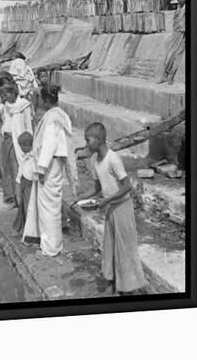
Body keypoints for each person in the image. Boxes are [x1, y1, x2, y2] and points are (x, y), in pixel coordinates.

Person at [73, 123, 146, 294]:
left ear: (98, 140)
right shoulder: (96, 162)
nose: (86, 144)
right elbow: (97, 188)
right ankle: (114, 283)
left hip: (122, 208)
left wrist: (107, 200)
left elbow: (127, 186)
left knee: (125, 248)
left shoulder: (113, 159)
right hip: (110, 210)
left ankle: (130, 287)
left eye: (88, 140)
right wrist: (79, 198)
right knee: (111, 247)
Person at [23, 85, 78, 256]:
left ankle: (51, 248)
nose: (37, 101)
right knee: (48, 206)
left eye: (39, 98)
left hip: (49, 166)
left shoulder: (53, 118)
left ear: (46, 100)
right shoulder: (58, 115)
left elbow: (49, 145)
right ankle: (48, 243)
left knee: (48, 208)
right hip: (52, 165)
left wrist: (40, 169)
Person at [0, 83, 33, 208]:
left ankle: (19, 199)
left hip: (19, 141)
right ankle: (10, 196)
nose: (5, 97)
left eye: (6, 94)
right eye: (3, 95)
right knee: (6, 167)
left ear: (14, 93)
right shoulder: (6, 107)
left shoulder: (23, 106)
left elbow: (28, 125)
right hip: (7, 138)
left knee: (17, 167)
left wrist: (28, 141)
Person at [158, 0, 186, 84]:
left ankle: (171, 76)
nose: (181, 0)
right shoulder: (178, 8)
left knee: (177, 55)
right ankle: (165, 75)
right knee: (169, 54)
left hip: (182, 33)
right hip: (175, 33)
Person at [13, 132, 36, 234]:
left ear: (26, 146)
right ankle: (27, 230)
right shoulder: (26, 157)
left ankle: (31, 232)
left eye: (21, 146)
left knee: (29, 209)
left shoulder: (33, 157)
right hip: (25, 184)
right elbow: (20, 174)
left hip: (29, 186)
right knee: (25, 209)